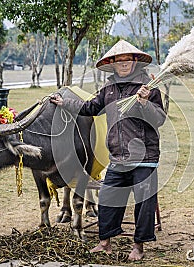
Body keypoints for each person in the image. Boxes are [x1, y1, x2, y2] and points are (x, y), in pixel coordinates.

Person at [50, 40, 166, 260]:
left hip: (144, 159)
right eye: (118, 60)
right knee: (107, 199)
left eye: (127, 59)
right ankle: (105, 243)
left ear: (134, 61)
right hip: (118, 158)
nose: (123, 63)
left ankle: (138, 247)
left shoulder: (149, 88)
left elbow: (159, 119)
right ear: (112, 64)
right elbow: (90, 107)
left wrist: (144, 103)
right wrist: (64, 103)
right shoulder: (109, 89)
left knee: (143, 204)